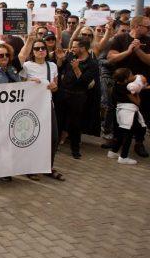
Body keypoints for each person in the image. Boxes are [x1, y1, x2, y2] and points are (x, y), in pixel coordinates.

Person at [20, 39, 64, 181]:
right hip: (31, 107)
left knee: (53, 137)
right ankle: (30, 167)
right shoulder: (27, 66)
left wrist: (53, 86)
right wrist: (29, 83)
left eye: (43, 48)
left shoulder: (52, 66)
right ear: (32, 52)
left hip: (47, 105)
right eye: (37, 48)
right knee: (32, 137)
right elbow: (19, 84)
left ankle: (47, 167)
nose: (40, 51)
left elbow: (56, 86)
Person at [106, 16, 150, 158]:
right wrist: (129, 51)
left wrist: (138, 50)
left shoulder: (148, 40)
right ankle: (116, 141)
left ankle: (139, 142)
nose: (148, 29)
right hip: (120, 85)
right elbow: (111, 58)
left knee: (140, 114)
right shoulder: (120, 39)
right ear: (136, 26)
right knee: (117, 112)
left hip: (140, 85)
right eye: (146, 26)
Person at [58, 36, 99, 159]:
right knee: (59, 120)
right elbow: (61, 68)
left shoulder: (92, 63)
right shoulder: (71, 56)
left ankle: (75, 149)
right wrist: (60, 60)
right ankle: (55, 145)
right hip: (63, 93)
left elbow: (85, 82)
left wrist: (76, 68)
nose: (72, 49)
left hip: (77, 97)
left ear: (83, 48)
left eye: (75, 47)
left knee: (75, 124)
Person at [108, 68, 146, 165]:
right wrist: (139, 85)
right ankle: (123, 157)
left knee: (121, 133)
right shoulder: (128, 87)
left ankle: (113, 152)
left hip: (121, 111)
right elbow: (137, 101)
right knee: (128, 134)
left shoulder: (116, 85)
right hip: (128, 112)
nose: (133, 76)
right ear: (125, 79)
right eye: (131, 75)